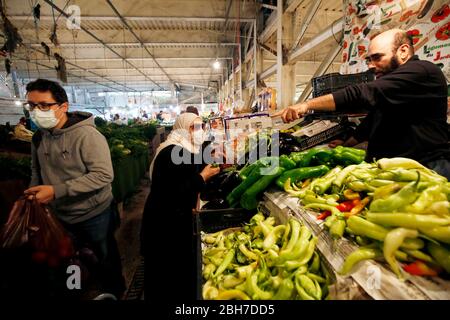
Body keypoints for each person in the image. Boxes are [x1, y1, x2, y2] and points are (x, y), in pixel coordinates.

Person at [276, 29, 450, 179]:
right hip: (395, 169)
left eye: (377, 58)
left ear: (403, 51)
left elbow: (361, 94)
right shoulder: (394, 87)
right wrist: (346, 145)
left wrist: (306, 105)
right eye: (369, 59)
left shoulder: (423, 71)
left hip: (426, 168)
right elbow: (374, 119)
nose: (371, 66)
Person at [23, 79, 125, 298]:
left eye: (44, 105)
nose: (36, 111)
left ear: (63, 107)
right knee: (69, 260)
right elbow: (36, 170)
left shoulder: (87, 136)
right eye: (31, 105)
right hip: (61, 217)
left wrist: (56, 191)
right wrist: (34, 195)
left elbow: (104, 175)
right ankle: (77, 291)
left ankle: (114, 291)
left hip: (95, 214)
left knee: (104, 258)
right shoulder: (39, 137)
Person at [141, 113, 220, 301]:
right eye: (194, 128)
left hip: (172, 219)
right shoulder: (170, 152)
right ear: (182, 128)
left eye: (202, 127)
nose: (200, 132)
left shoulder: (183, 148)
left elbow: (190, 165)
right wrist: (203, 177)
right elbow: (174, 191)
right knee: (167, 278)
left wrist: (212, 156)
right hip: (164, 226)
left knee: (173, 274)